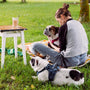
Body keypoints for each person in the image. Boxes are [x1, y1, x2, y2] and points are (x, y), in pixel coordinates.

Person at [31, 3, 88, 68]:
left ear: (62, 16)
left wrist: (51, 44)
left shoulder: (64, 27)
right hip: (83, 58)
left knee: (35, 45)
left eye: (59, 21)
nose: (59, 23)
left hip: (70, 61)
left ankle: (37, 56)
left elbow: (61, 49)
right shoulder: (78, 23)